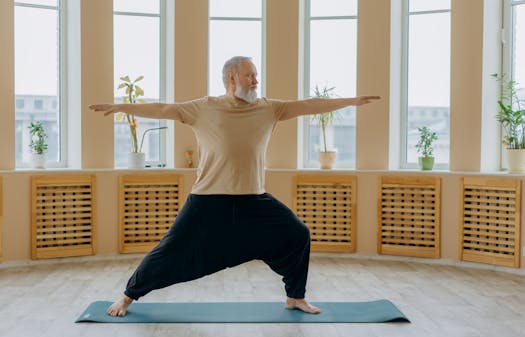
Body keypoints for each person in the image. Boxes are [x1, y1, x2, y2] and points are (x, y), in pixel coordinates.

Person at [89, 56, 380, 317]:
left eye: (256, 75)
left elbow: (307, 106)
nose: (256, 80)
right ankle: (127, 296)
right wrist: (120, 106)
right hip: (207, 198)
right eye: (250, 75)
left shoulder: (269, 108)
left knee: (297, 234)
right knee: (171, 250)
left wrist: (351, 101)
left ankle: (295, 297)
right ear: (232, 78)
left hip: (253, 198)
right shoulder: (204, 107)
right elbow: (164, 108)